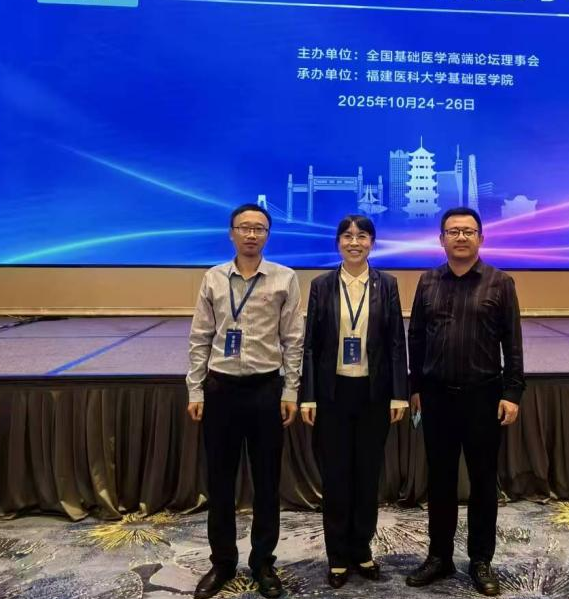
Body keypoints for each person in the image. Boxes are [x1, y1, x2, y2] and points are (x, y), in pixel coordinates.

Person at [186, 203, 304, 599]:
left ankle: (263, 562)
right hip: (221, 390)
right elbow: (200, 337)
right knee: (220, 482)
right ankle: (222, 563)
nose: (252, 234)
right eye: (244, 227)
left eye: (259, 228)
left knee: (267, 483)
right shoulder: (213, 278)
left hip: (266, 390)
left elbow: (293, 340)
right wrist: (195, 389)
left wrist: (290, 391)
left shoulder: (285, 278)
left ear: (267, 235)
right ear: (231, 233)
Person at [405, 207, 525, 597]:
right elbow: (416, 338)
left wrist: (512, 393)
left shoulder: (500, 282)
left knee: (483, 483)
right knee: (439, 481)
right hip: (437, 398)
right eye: (453, 231)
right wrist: (415, 388)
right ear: (441, 239)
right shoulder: (427, 281)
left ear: (481, 238)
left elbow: (513, 343)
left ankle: (480, 560)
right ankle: (439, 556)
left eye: (468, 231)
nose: (461, 237)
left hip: (483, 397)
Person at [300, 215, 408, 588]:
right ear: (338, 243)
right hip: (332, 395)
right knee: (336, 476)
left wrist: (399, 393)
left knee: (366, 474)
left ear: (372, 243)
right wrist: (308, 396)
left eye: (362, 236)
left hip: (373, 394)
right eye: (347, 236)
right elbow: (310, 345)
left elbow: (395, 342)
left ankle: (361, 549)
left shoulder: (387, 284)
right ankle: (337, 556)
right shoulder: (321, 285)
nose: (354, 242)